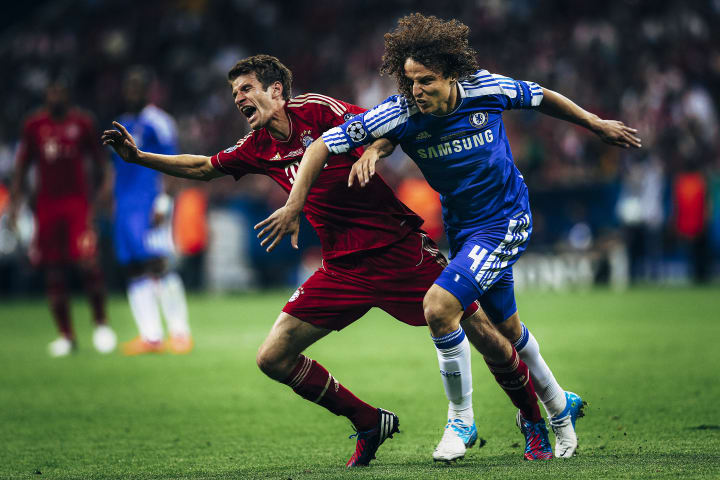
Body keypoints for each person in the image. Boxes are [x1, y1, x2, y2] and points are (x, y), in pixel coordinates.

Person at [103, 54, 553, 466]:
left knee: (483, 332)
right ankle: (368, 420)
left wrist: (373, 153)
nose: (238, 97)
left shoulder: (317, 110)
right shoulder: (257, 146)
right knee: (273, 356)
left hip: (397, 249)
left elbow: (385, 128)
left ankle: (533, 421)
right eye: (234, 92)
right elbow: (203, 167)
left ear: (276, 90)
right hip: (342, 268)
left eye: (246, 88)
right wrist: (139, 158)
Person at [259, 13, 642, 460]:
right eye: (410, 81)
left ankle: (461, 419)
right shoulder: (402, 110)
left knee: (440, 306)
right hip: (463, 228)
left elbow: (542, 97)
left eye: (427, 81)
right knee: (506, 327)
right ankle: (559, 404)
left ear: (453, 75)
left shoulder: (487, 88)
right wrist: (300, 200)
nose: (418, 90)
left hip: (505, 219)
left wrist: (595, 124)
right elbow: (323, 145)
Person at [8, 76, 116, 357]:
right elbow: (22, 166)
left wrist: (104, 193)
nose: (55, 97)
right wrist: (15, 204)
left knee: (89, 263)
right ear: (46, 95)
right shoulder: (33, 125)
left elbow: (101, 163)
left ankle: (101, 325)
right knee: (53, 270)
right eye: (51, 92)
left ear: (68, 95)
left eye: (60, 92)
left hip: (77, 205)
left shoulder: (83, 123)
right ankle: (66, 335)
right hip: (47, 206)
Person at [110, 67, 193, 355]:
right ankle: (151, 336)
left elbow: (174, 162)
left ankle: (180, 333)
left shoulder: (159, 122)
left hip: (149, 203)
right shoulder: (121, 124)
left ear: (147, 90)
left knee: (158, 264)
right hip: (125, 207)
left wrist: (163, 201)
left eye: (136, 87)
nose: (131, 92)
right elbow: (115, 169)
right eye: (128, 87)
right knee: (133, 268)